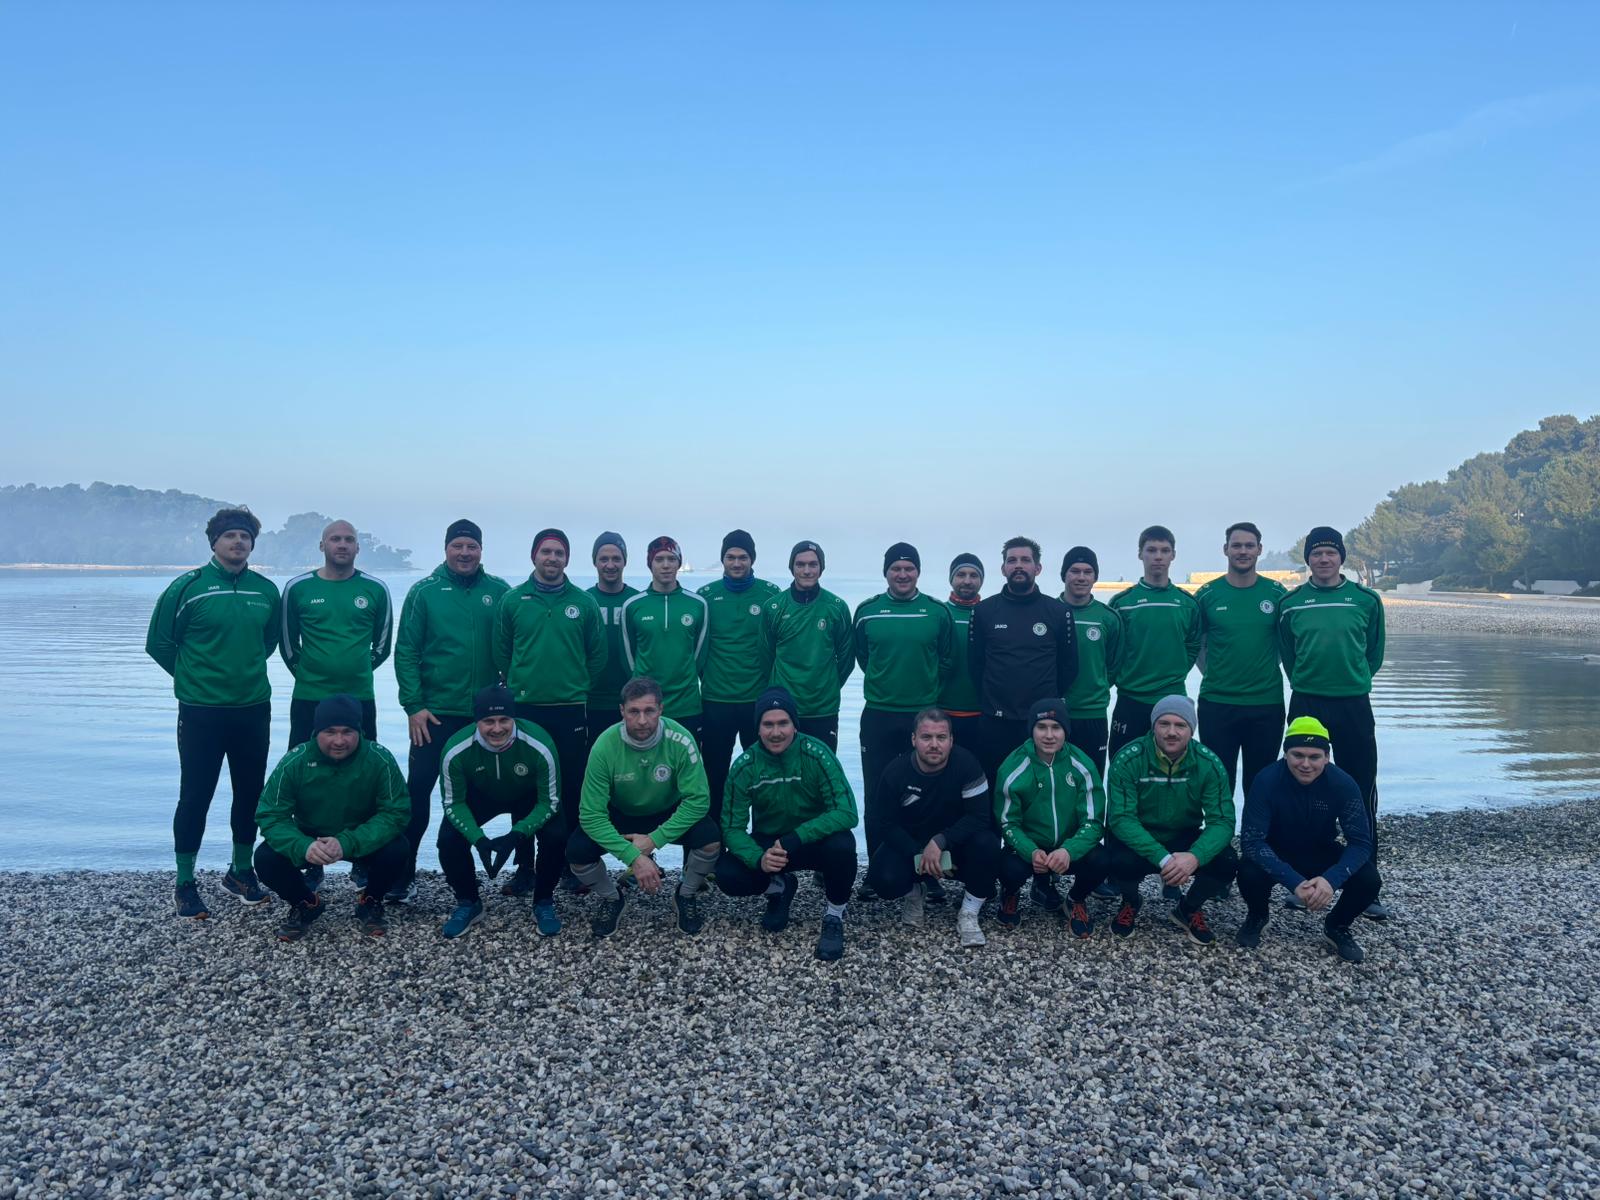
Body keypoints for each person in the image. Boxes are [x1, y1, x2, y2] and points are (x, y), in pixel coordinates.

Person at [146, 506, 281, 918]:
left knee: (250, 793)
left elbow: (268, 642)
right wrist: (194, 678)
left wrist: (238, 672)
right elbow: (160, 644)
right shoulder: (187, 587)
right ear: (214, 543)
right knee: (196, 795)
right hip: (201, 711)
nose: (238, 542)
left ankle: (240, 871)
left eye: (245, 537)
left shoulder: (265, 590)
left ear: (252, 544)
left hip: (252, 707)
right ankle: (185, 881)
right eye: (230, 536)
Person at [393, 520, 511, 903]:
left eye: (471, 546)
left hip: (483, 717)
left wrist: (509, 696)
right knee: (418, 791)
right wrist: (413, 706)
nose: (465, 553)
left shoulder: (499, 591)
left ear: (481, 550)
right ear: (446, 549)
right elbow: (406, 651)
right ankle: (402, 873)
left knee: (474, 795)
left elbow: (514, 647)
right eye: (457, 546)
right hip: (434, 716)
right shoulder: (424, 591)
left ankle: (469, 872)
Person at [1277, 525, 1388, 920]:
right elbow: (1288, 654)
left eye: (1330, 552)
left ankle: (1366, 884)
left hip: (1353, 702)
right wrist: (1307, 681)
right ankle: (1304, 881)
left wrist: (1353, 680)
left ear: (1341, 557)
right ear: (1307, 559)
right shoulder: (1291, 603)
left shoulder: (1366, 600)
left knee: (1361, 787)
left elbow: (1374, 653)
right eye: (1316, 553)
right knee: (1303, 785)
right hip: (1307, 701)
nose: (1323, 559)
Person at [494, 527, 604, 896]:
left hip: (570, 708)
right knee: (525, 787)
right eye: (546, 552)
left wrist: (578, 685)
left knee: (571, 788)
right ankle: (525, 868)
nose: (552, 558)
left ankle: (570, 866)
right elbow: (502, 652)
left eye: (559, 553)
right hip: (525, 708)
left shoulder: (583, 603)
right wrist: (519, 683)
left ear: (567, 559)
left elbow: (597, 654)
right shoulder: (513, 600)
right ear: (534, 556)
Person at [567, 677, 721, 938]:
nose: (642, 720)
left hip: (666, 811)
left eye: (649, 710)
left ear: (661, 709)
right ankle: (612, 898)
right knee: (576, 852)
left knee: (711, 839)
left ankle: (685, 894)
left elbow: (698, 801)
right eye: (634, 711)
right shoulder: (604, 746)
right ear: (621, 711)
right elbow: (591, 815)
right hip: (622, 814)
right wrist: (633, 856)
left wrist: (653, 840)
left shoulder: (681, 740)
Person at [716, 687, 858, 961]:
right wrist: (759, 859)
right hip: (772, 846)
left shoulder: (817, 754)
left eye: (783, 723)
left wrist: (798, 836)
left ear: (795, 725)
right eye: (768, 724)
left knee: (842, 845)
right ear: (758, 729)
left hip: (811, 841)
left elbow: (847, 812)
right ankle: (779, 887)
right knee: (727, 873)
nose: (776, 732)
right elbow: (732, 828)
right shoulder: (745, 765)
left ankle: (834, 914)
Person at [254, 694, 411, 941]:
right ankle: (306, 903)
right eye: (330, 732)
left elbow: (396, 813)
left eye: (347, 731)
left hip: (360, 835)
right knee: (265, 858)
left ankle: (371, 901)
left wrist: (347, 842)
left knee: (398, 848)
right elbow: (270, 815)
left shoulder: (380, 759)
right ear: (317, 732)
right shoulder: (295, 761)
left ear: (359, 731)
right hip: (310, 836)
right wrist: (303, 845)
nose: (339, 740)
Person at [1237, 717, 1381, 962]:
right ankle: (1258, 916)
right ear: (1286, 754)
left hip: (1321, 849)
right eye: (1298, 755)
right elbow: (1252, 841)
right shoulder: (1266, 780)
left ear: (1326, 757)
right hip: (1277, 849)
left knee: (1369, 879)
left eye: (1314, 757)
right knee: (1247, 871)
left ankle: (1337, 925)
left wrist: (1331, 880)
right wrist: (1294, 882)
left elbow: (1360, 843)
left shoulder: (1343, 784)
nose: (1305, 764)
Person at [1103, 695, 1236, 945]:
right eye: (1164, 723)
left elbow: (1223, 821)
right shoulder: (1128, 758)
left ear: (1191, 729)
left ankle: (1188, 908)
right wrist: (1163, 858)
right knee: (1114, 858)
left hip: (1184, 834)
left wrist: (1195, 856)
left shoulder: (1209, 763)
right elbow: (1121, 818)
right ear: (1153, 726)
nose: (1171, 732)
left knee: (1227, 861)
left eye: (1180, 725)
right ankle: (1131, 901)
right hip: (1141, 834)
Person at [863, 708, 1000, 948]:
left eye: (941, 737)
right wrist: (918, 853)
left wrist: (940, 841)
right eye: (926, 737)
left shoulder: (967, 764)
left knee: (988, 845)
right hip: (912, 847)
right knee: (882, 878)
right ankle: (915, 893)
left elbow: (979, 817)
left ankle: (969, 912)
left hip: (956, 845)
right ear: (914, 739)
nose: (934, 744)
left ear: (951, 740)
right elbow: (884, 824)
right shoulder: (895, 772)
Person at [436, 685, 563, 938]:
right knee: (448, 839)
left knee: (557, 835)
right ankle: (468, 902)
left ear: (513, 718)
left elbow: (550, 802)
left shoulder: (540, 743)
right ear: (477, 721)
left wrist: (517, 835)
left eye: (504, 719)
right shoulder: (455, 749)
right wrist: (479, 840)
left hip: (527, 796)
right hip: (482, 796)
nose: (497, 728)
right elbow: (453, 803)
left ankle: (543, 902)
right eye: (488, 721)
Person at [994, 698, 1111, 939]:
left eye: (1056, 727)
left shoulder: (1082, 764)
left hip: (1068, 848)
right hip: (1032, 847)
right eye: (1042, 727)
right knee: (1007, 867)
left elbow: (1093, 821)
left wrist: (1069, 850)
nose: (1049, 735)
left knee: (1102, 860)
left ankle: (1075, 899)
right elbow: (1008, 822)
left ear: (1066, 730)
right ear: (1031, 730)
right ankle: (1010, 893)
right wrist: (1030, 851)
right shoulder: (1013, 766)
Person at [968, 536, 1078, 787]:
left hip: (1041, 721)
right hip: (995, 720)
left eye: (1025, 560)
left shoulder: (1058, 612)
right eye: (1012, 560)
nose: (1018, 565)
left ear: (1037, 568)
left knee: (1040, 787)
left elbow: (1069, 666)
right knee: (995, 786)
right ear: (1003, 568)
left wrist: (1048, 699)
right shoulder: (984, 611)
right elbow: (975, 665)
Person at [853, 542, 954, 814]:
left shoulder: (936, 611)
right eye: (895, 568)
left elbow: (945, 660)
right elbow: (863, 657)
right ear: (886, 572)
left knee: (924, 791)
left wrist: (925, 684)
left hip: (923, 714)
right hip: (879, 713)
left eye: (909, 568)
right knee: (877, 791)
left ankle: (924, 842)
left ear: (918, 572)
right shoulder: (867, 611)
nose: (902, 574)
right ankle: (877, 843)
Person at [1195, 522, 1288, 802]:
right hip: (1217, 703)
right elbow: (1196, 645)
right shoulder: (1207, 595)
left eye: (1249, 545)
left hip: (1266, 703)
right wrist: (1215, 672)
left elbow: (1286, 643)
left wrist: (1265, 665)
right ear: (1226, 549)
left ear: (1259, 550)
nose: (1243, 551)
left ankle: (1254, 831)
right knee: (1218, 783)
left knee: (1261, 784)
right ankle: (1220, 832)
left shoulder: (1277, 593)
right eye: (1236, 545)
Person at [279, 519, 393, 749]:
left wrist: (358, 669)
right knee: (301, 762)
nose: (342, 544)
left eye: (349, 540)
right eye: (335, 539)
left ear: (357, 548)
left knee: (363, 764)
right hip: (309, 695)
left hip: (360, 696)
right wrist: (307, 672)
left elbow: (382, 647)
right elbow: (287, 643)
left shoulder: (376, 589)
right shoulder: (297, 588)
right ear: (322, 546)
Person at [697, 530, 781, 820]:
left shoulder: (770, 595)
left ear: (752, 559)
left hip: (757, 702)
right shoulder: (706, 597)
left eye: (742, 557)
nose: (736, 563)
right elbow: (697, 647)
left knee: (762, 775)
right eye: (730, 557)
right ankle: (714, 840)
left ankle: (764, 839)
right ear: (722, 560)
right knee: (714, 774)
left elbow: (778, 645)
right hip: (715, 700)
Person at [1107, 525, 1200, 758]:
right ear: (1140, 554)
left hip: (1173, 699)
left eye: (1164, 550)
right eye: (1151, 550)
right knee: (1122, 764)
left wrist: (1175, 671)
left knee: (1173, 770)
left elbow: (1193, 646)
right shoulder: (1122, 602)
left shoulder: (1187, 603)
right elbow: (1111, 652)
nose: (1158, 556)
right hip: (1131, 699)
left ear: (1173, 555)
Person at [760, 540, 854, 751]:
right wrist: (778, 690)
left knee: (822, 766)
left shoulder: (837, 607)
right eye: (800, 564)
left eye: (813, 564)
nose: (807, 570)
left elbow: (847, 659)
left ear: (821, 568)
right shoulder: (773, 607)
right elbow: (766, 657)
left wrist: (828, 686)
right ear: (791, 567)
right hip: (783, 707)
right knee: (784, 767)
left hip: (824, 707)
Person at [621, 536, 709, 743]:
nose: (666, 565)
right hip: (645, 705)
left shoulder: (698, 604)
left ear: (679, 563)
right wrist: (643, 685)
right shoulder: (633, 605)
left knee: (687, 759)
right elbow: (628, 657)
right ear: (650, 564)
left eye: (671, 559)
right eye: (659, 559)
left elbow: (699, 655)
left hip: (686, 704)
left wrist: (683, 675)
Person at [1058, 546, 1122, 775]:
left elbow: (1114, 664)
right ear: (1064, 575)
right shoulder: (1049, 611)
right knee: (1054, 779)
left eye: (1087, 572)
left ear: (1095, 577)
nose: (1081, 577)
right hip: (1055, 712)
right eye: (1075, 571)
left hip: (1092, 713)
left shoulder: (1108, 617)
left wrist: (1096, 685)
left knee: (1091, 778)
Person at [585, 532, 638, 745]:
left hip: (631, 700)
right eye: (603, 559)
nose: (610, 565)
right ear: (595, 562)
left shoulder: (637, 601)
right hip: (590, 700)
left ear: (625, 561)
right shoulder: (584, 600)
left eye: (616, 558)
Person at [938, 553, 986, 750]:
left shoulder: (990, 614)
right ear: (951, 579)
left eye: (974, 575)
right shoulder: (939, 613)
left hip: (982, 713)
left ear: (981, 581)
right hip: (940, 713)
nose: (967, 581)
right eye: (961, 575)